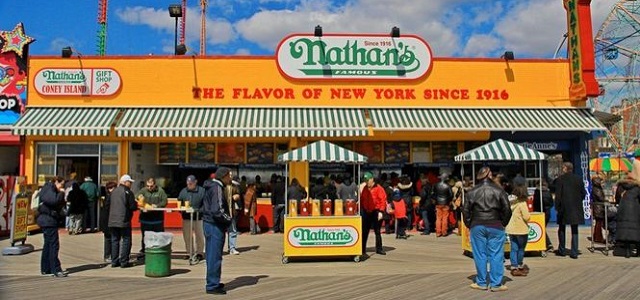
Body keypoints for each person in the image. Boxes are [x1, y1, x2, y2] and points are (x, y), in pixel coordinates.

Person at [463, 167, 511, 292]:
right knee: (496, 254)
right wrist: (503, 223)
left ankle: (482, 282)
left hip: (477, 224)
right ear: (489, 175)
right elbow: (507, 210)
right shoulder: (499, 191)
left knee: (480, 254)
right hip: (496, 224)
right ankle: (496, 284)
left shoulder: (472, 191)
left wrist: (470, 224)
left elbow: (465, 211)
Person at [201, 167, 233, 295]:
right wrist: (229, 220)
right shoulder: (217, 188)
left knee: (210, 255)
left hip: (208, 224)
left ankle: (212, 280)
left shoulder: (210, 186)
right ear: (224, 176)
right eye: (229, 175)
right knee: (215, 255)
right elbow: (218, 210)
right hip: (215, 225)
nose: (230, 178)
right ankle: (212, 285)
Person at [37, 176, 68, 277]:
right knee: (54, 245)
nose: (61, 187)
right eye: (61, 184)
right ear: (56, 182)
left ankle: (46, 268)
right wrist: (62, 193)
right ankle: (56, 269)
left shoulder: (48, 189)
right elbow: (53, 201)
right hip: (48, 221)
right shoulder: (49, 189)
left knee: (48, 244)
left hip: (48, 220)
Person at [554, 162, 586, 259]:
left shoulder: (560, 179)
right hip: (576, 207)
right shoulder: (578, 179)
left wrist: (557, 207)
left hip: (564, 207)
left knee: (562, 228)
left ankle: (562, 250)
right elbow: (583, 193)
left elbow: (558, 195)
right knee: (574, 229)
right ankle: (574, 251)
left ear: (565, 168)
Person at [109, 175, 138, 268]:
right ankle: (124, 261)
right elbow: (132, 207)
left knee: (114, 240)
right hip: (124, 220)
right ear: (125, 182)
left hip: (112, 220)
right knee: (126, 240)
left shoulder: (113, 192)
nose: (131, 184)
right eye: (130, 182)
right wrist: (136, 203)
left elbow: (107, 205)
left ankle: (114, 261)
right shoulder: (128, 192)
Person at [614, 157, 640, 258]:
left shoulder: (621, 186)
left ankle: (627, 252)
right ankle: (638, 252)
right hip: (635, 211)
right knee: (636, 231)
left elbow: (617, 198)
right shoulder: (637, 187)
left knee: (626, 233)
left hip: (623, 211)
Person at [136, 177, 168, 258]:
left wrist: (157, 206)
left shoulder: (160, 191)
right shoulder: (143, 190)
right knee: (145, 237)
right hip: (145, 219)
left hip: (157, 220)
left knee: (159, 237)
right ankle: (144, 251)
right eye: (148, 186)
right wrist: (139, 199)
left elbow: (165, 201)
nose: (149, 188)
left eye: (151, 186)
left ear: (155, 185)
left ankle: (159, 252)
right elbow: (136, 196)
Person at [177, 175, 206, 262]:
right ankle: (189, 252)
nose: (189, 185)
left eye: (191, 183)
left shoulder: (202, 191)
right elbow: (179, 200)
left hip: (198, 217)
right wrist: (181, 209)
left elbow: (205, 204)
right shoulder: (183, 191)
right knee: (187, 236)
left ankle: (200, 253)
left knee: (199, 236)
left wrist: (199, 210)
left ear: (195, 182)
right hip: (186, 217)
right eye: (188, 183)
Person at [506, 184, 531, 276]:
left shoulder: (511, 203)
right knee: (521, 248)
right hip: (521, 229)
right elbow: (527, 217)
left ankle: (513, 266)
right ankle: (520, 265)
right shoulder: (522, 204)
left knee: (513, 248)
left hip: (511, 228)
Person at [360, 172, 387, 257]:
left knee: (377, 231)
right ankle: (362, 249)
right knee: (364, 231)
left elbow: (383, 200)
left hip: (376, 211)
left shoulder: (379, 189)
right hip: (366, 211)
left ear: (372, 179)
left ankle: (379, 248)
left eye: (368, 180)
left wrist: (381, 212)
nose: (366, 182)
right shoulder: (364, 188)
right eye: (365, 180)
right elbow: (362, 199)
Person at [533, 179, 554, 251]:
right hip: (547, 212)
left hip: (539, 212)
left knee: (542, 229)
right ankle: (548, 244)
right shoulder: (548, 191)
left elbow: (535, 202)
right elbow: (551, 203)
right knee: (543, 228)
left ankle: (548, 244)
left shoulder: (537, 192)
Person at [100, 181, 117, 262]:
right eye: (110, 188)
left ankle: (108, 256)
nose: (111, 190)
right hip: (108, 220)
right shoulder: (110, 197)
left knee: (109, 238)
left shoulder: (107, 196)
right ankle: (109, 255)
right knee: (109, 238)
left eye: (113, 188)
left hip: (106, 220)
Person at [225, 174, 242, 255]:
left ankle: (232, 248)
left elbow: (238, 194)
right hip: (222, 212)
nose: (230, 177)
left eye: (231, 175)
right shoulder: (221, 186)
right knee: (220, 231)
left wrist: (237, 196)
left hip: (232, 211)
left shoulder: (234, 186)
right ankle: (218, 249)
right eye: (229, 175)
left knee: (233, 230)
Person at [590, 177, 607, 244]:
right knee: (599, 223)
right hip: (599, 208)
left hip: (598, 207)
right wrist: (606, 200)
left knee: (598, 223)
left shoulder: (596, 188)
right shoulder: (597, 189)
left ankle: (597, 236)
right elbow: (601, 198)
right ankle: (598, 237)